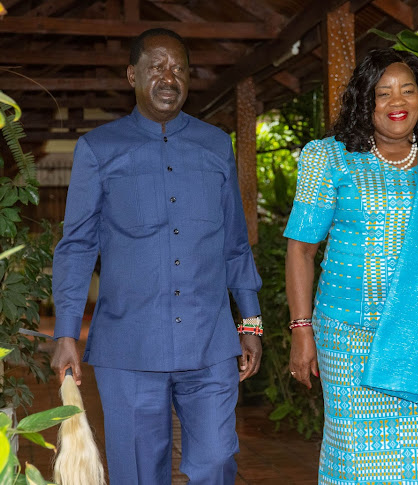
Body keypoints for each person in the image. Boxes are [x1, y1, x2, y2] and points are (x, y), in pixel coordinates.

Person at [51, 28, 263, 485]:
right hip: (129, 348)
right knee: (138, 474)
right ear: (132, 75)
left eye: (179, 69)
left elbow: (235, 243)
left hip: (209, 346)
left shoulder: (215, 146)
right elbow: (77, 246)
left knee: (216, 462)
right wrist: (66, 332)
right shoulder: (98, 149)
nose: (168, 78)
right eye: (156, 68)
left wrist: (250, 322)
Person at [284, 48, 418, 484]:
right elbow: (300, 250)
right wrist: (301, 330)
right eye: (382, 93)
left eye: (407, 90)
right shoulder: (329, 158)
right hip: (349, 338)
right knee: (355, 462)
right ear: (364, 102)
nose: (396, 102)